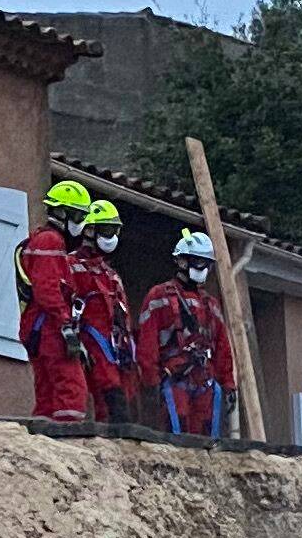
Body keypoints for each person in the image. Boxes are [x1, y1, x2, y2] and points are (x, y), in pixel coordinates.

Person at [14, 181, 105, 419]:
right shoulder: (50, 241)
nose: (81, 222)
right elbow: (48, 290)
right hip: (49, 327)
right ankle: (68, 438)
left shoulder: (44, 240)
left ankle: (46, 441)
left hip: (39, 325)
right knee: (71, 389)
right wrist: (65, 324)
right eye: (79, 215)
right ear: (63, 212)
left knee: (47, 394)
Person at [136, 227, 238, 439]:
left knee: (210, 439)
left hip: (206, 383)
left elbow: (222, 348)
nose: (203, 269)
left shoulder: (211, 305)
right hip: (174, 381)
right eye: (199, 262)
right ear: (182, 261)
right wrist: (150, 383)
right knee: (177, 436)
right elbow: (147, 345)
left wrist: (228, 385)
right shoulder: (159, 297)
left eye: (207, 264)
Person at [70, 197, 141, 418]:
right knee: (105, 396)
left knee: (120, 397)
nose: (112, 237)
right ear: (90, 230)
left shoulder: (110, 274)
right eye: (107, 229)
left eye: (114, 231)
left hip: (116, 347)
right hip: (89, 343)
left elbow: (123, 314)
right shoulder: (71, 266)